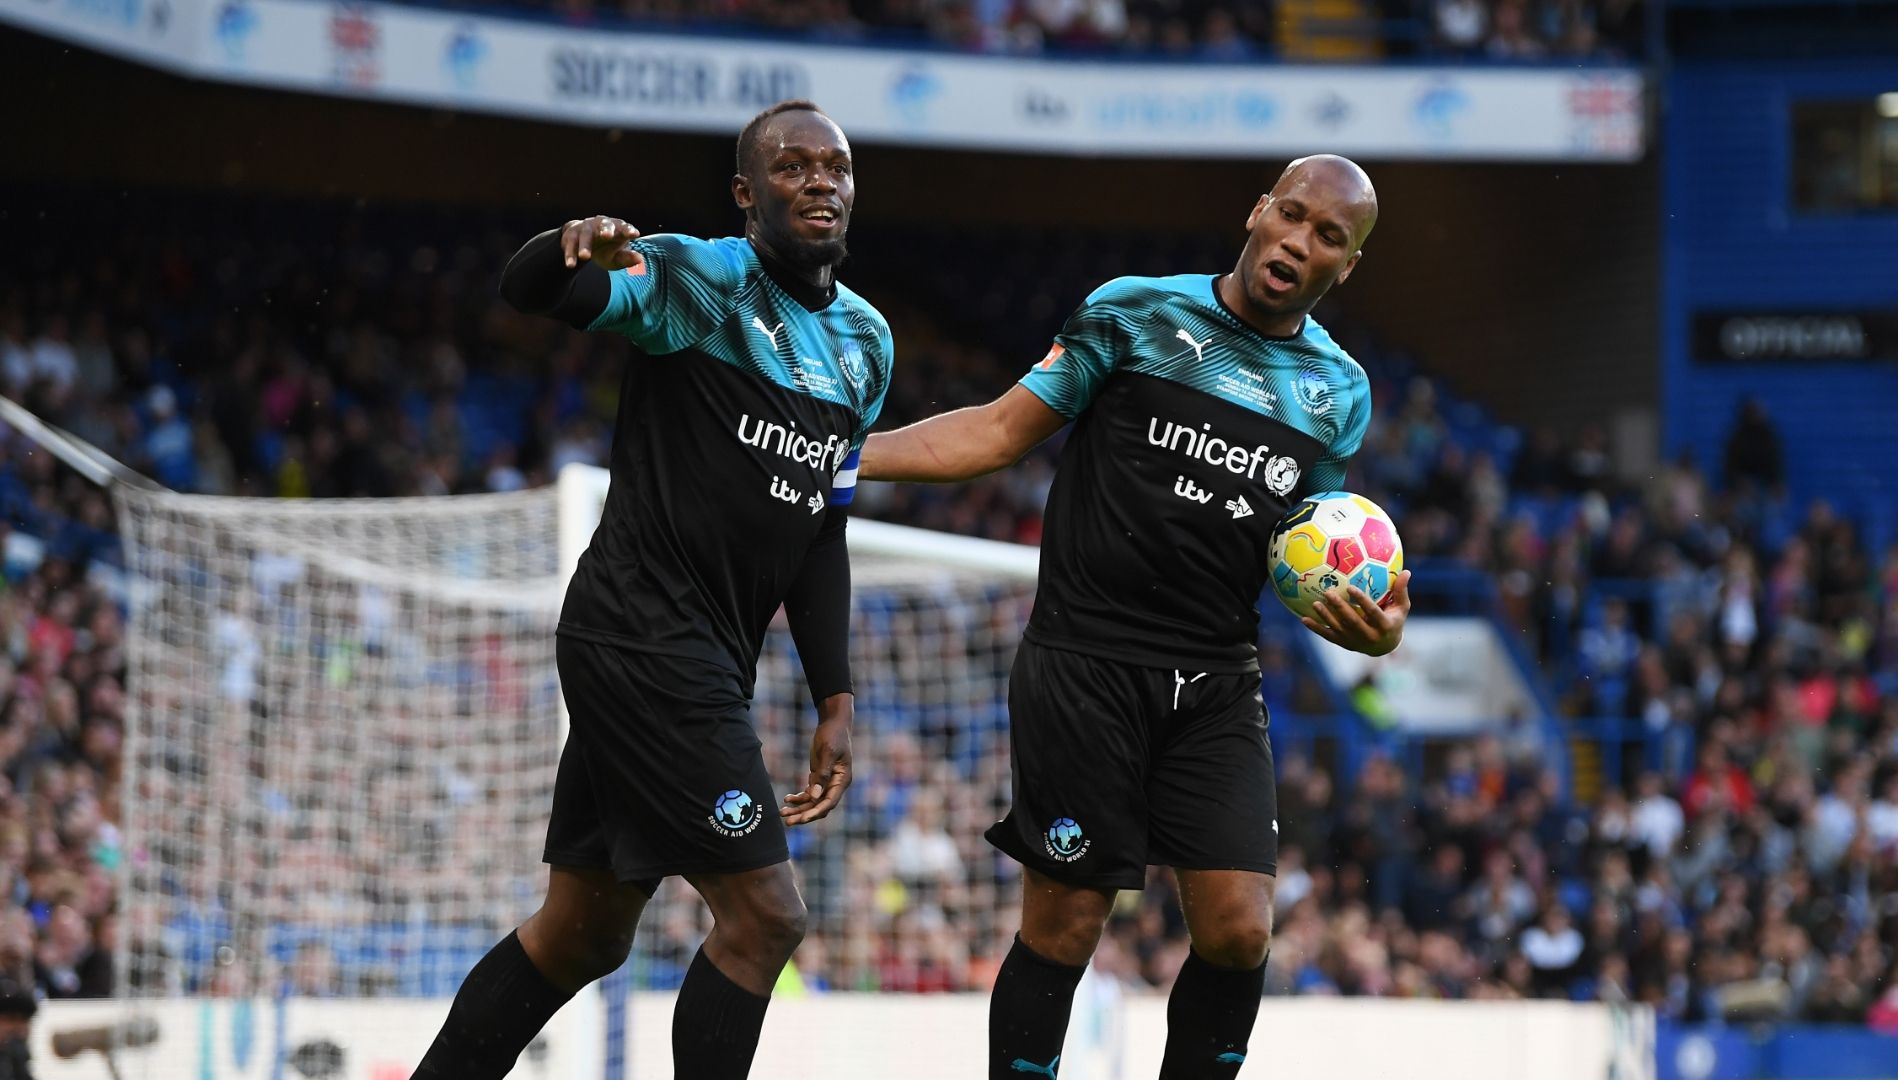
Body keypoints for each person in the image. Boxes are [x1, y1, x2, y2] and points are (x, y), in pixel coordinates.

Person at [860, 155, 1409, 1078]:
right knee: (1067, 925)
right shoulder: (1137, 312)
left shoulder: (1337, 393)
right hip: (1086, 661)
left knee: (1239, 932)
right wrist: (840, 457)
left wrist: (1377, 633)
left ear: (1345, 266)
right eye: (1292, 214)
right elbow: (998, 431)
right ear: (1257, 210)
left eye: (1329, 238)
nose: (1298, 242)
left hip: (1216, 679)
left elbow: (1305, 548)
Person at [412, 99, 892, 1080]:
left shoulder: (866, 344)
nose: (819, 182)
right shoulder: (704, 278)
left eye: (835, 167)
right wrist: (565, 246)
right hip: (642, 636)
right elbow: (533, 289)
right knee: (765, 919)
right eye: (793, 167)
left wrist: (835, 696)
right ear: (745, 194)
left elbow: (820, 528)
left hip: (693, 656)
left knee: (581, 934)